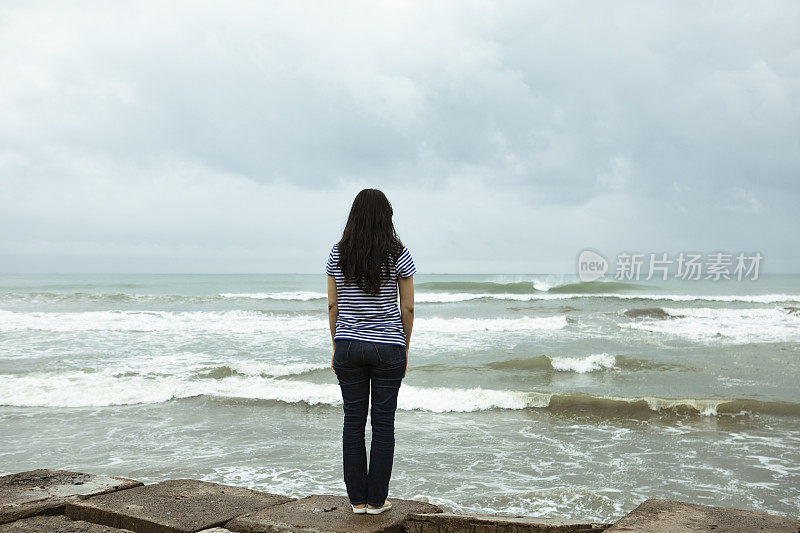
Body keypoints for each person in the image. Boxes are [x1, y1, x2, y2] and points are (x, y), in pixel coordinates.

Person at [326, 188, 415, 515]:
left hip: (348, 345)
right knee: (383, 424)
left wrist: (336, 344)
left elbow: (333, 304)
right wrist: (404, 347)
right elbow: (407, 308)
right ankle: (377, 501)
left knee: (352, 422)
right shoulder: (398, 254)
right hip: (388, 346)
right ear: (385, 218)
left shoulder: (338, 253)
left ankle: (357, 501)